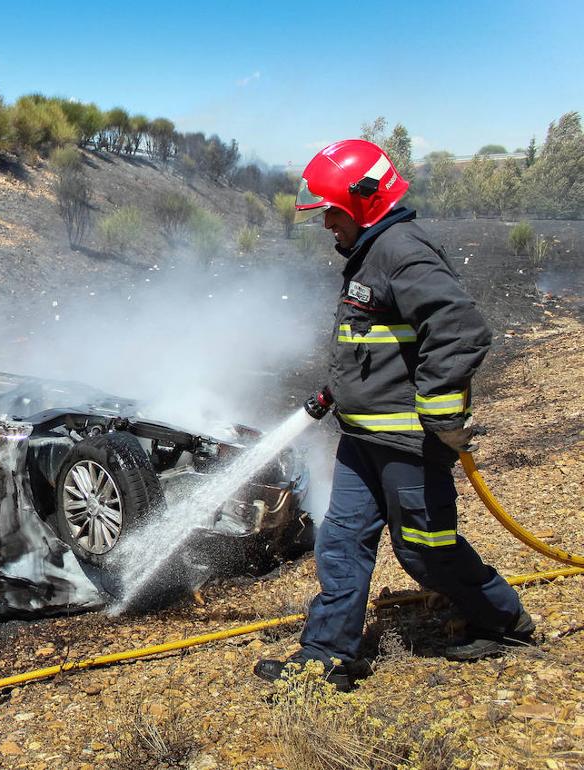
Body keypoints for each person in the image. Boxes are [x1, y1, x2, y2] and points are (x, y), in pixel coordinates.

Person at [254, 139, 533, 692]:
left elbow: (460, 329)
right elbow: (380, 338)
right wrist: (342, 389)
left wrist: (439, 408)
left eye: (332, 212)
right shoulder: (372, 251)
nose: (327, 223)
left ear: (362, 202)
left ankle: (505, 623)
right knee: (341, 541)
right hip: (363, 439)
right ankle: (328, 654)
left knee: (424, 552)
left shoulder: (403, 251)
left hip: (408, 445)